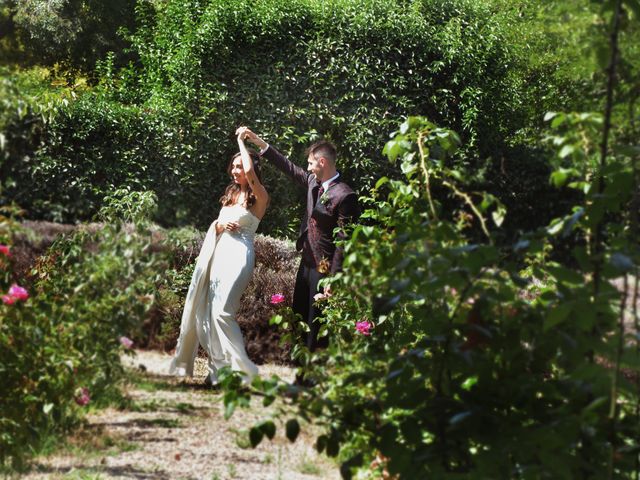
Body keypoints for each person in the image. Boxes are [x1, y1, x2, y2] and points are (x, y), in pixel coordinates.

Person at [237, 126, 360, 355]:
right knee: (300, 316)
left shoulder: (345, 195)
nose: (308, 168)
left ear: (322, 162)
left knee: (317, 321)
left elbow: (345, 241)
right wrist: (256, 141)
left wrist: (334, 278)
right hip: (306, 263)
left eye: (311, 163)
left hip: (323, 268)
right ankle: (300, 371)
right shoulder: (314, 182)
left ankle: (314, 376)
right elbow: (287, 166)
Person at [169, 130, 269, 386]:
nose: (235, 171)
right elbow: (217, 225)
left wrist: (240, 141)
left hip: (239, 257)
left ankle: (241, 372)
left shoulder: (259, 196)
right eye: (233, 167)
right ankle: (218, 373)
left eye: (239, 166)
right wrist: (219, 226)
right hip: (220, 254)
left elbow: (250, 172)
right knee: (210, 314)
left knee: (223, 313)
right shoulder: (230, 194)